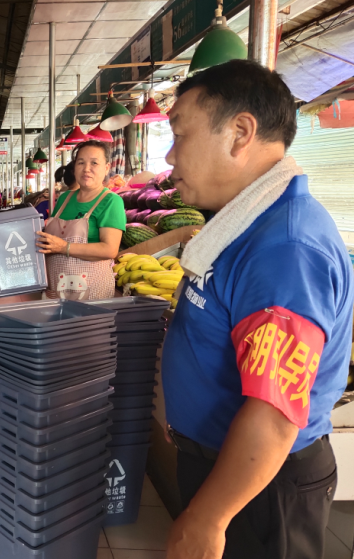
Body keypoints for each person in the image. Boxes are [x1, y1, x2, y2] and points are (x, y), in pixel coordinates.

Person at [161, 60, 353, 559]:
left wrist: (208, 518)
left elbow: (273, 413)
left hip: (260, 485)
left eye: (180, 135)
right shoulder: (242, 224)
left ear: (239, 133)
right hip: (226, 466)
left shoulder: (283, 248)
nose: (169, 154)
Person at [36, 140, 126, 300]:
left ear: (106, 168)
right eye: (81, 163)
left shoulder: (111, 201)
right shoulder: (64, 199)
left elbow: (110, 250)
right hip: (57, 289)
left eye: (94, 163)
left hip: (91, 292)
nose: (86, 169)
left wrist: (65, 247)